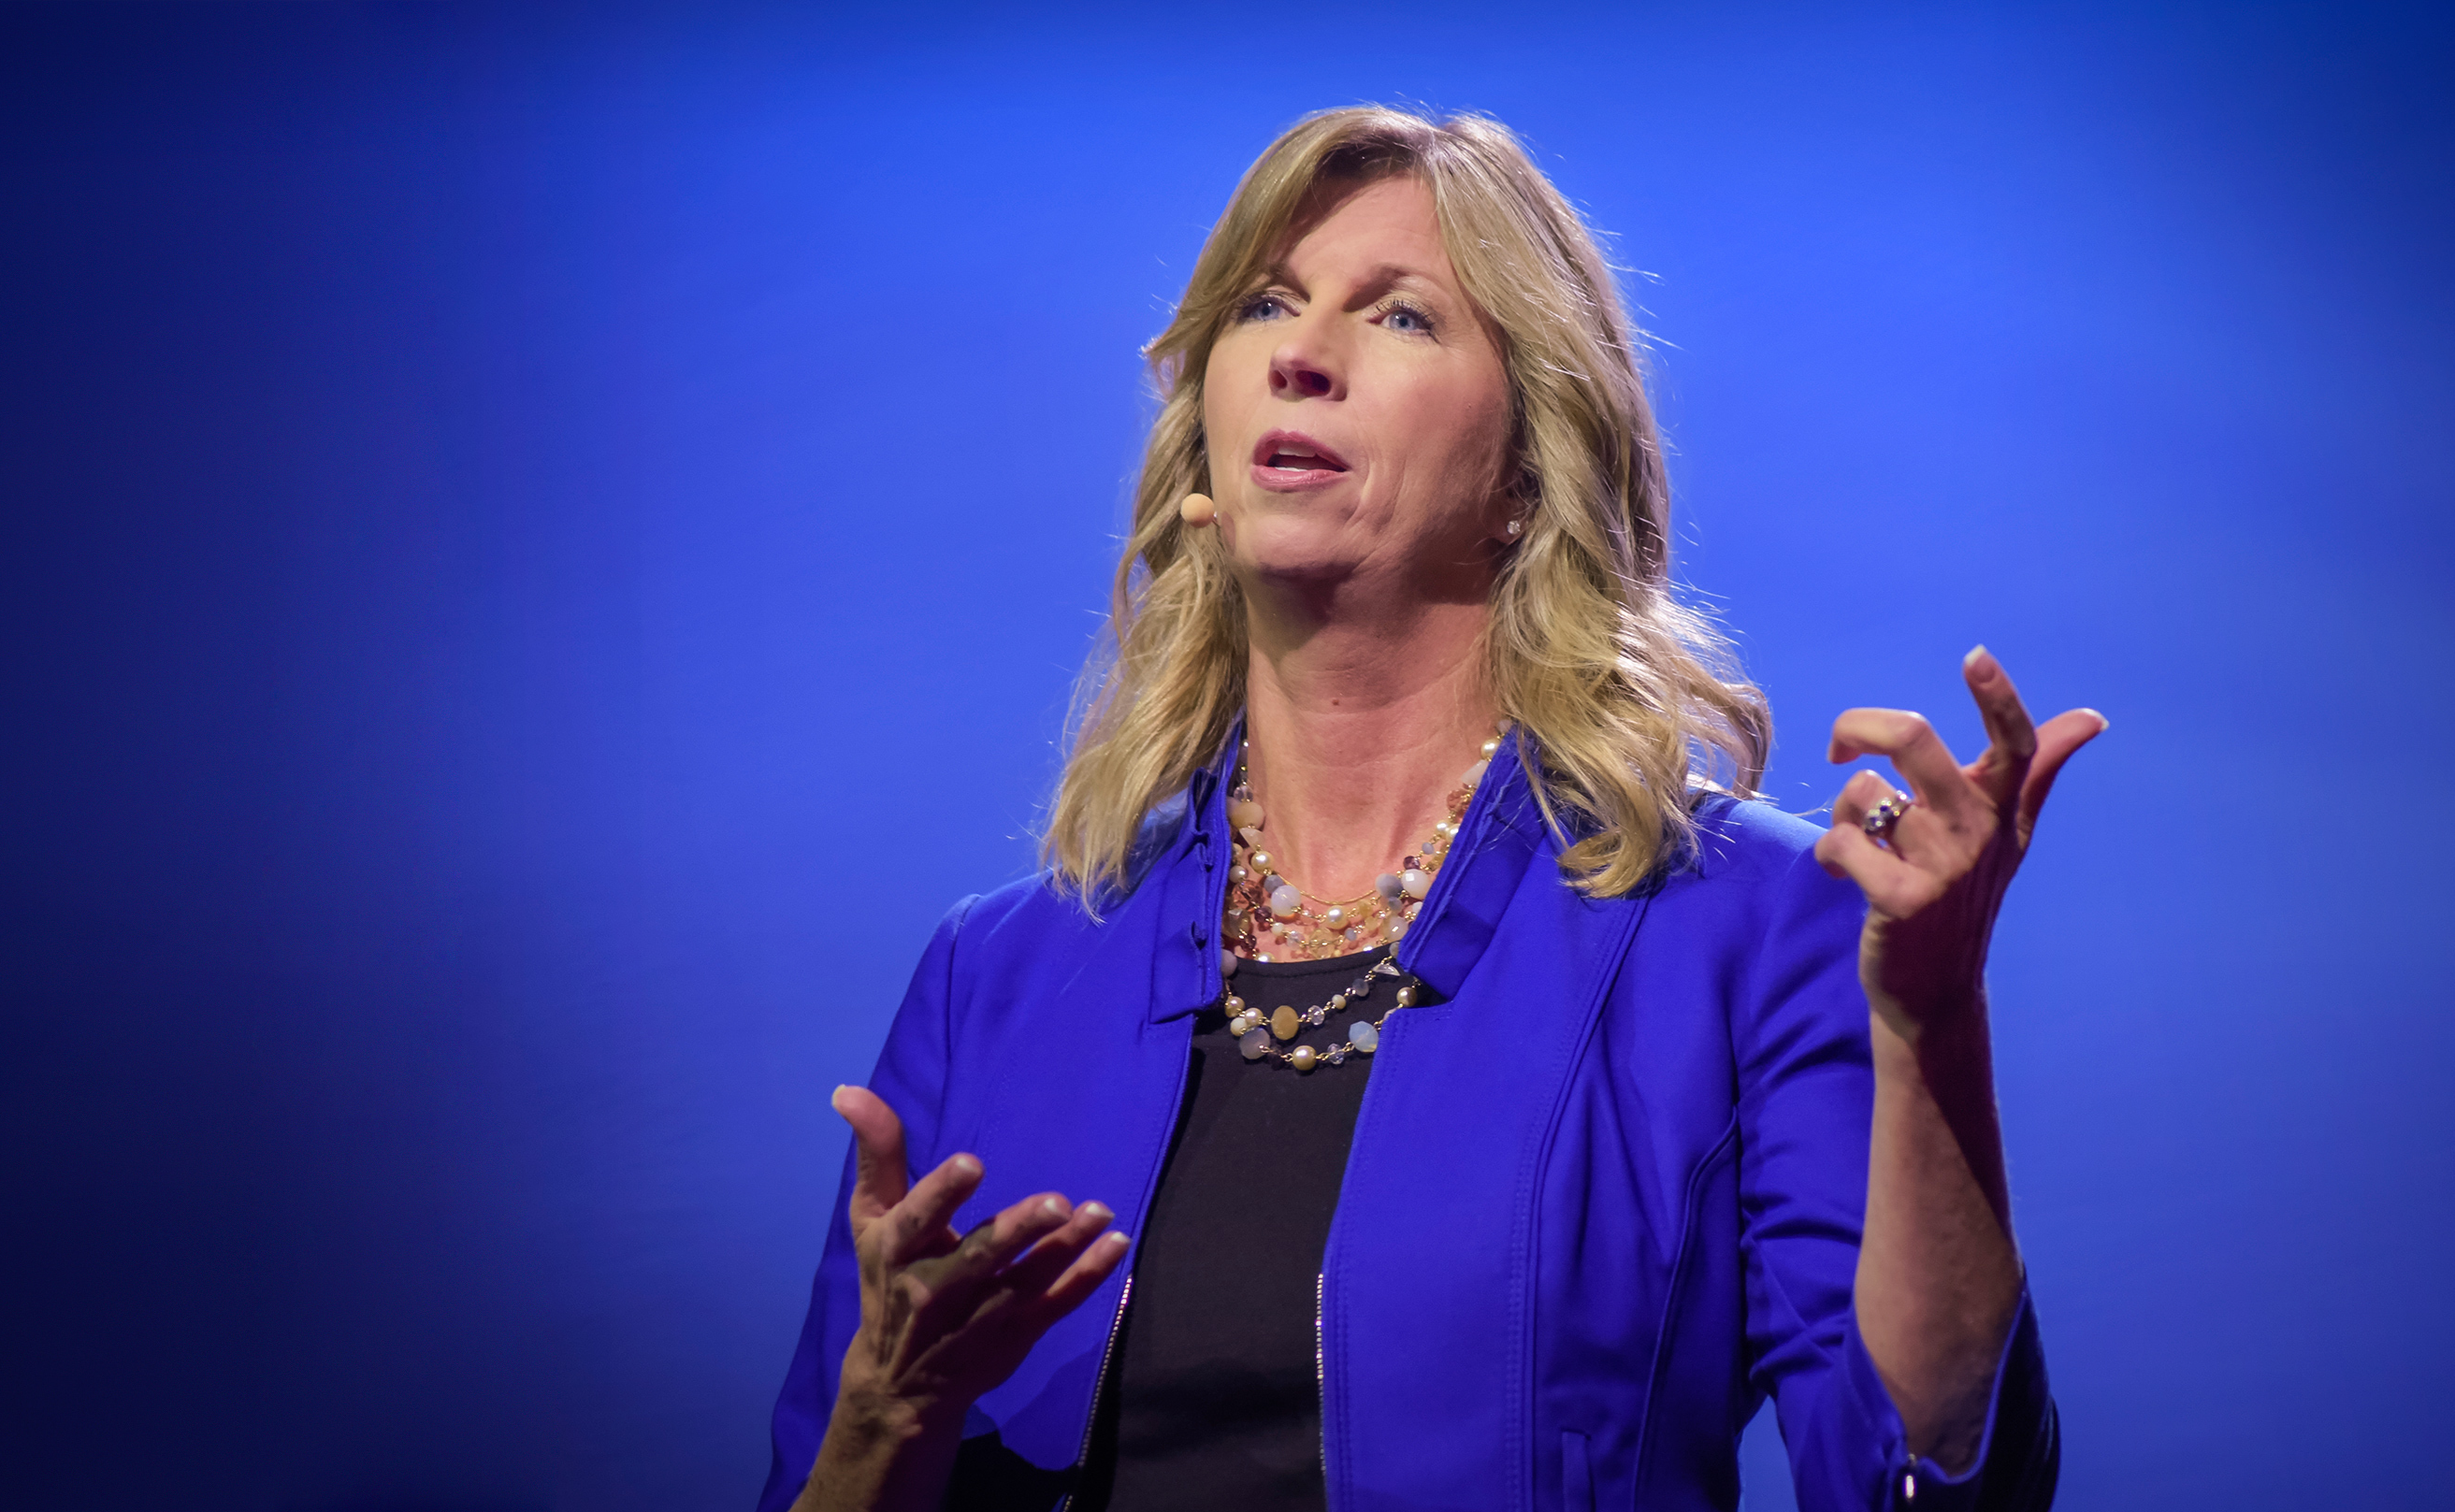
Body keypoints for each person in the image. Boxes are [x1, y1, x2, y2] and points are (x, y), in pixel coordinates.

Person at [761, 106, 2096, 1512]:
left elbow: (1928, 1486)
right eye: (1266, 305)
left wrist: (1932, 1028)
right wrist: (881, 1425)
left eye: (1398, 317)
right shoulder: (999, 976)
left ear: (1529, 470)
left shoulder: (1757, 925)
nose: (1299, 353)